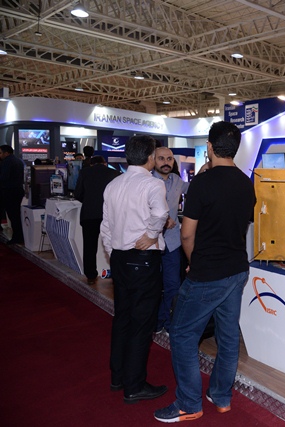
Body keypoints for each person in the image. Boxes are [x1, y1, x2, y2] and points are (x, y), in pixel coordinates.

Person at [154, 121, 255, 423]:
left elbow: (187, 234)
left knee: (182, 334)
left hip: (207, 272)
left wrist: (193, 261)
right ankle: (221, 396)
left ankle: (189, 403)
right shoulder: (246, 183)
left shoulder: (202, 183)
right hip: (237, 270)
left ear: (209, 147)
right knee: (228, 335)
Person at [100, 135, 169, 404]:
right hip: (143, 260)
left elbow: (106, 226)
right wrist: (151, 235)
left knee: (123, 318)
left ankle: (118, 377)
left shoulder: (113, 184)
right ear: (150, 157)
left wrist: (113, 250)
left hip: (119, 257)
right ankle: (134, 385)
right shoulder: (152, 184)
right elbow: (161, 214)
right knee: (141, 323)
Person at [152, 147, 190, 333]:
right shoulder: (147, 181)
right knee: (153, 286)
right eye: (161, 158)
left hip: (173, 243)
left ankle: (168, 323)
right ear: (153, 160)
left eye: (169, 159)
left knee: (173, 286)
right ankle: (155, 322)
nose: (166, 162)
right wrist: (162, 220)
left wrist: (207, 168)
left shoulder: (176, 180)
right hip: (151, 242)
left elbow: (194, 189)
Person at [74, 155, 120, 285]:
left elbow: (78, 194)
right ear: (104, 163)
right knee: (114, 245)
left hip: (89, 214)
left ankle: (91, 275)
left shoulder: (84, 172)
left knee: (89, 246)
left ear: (91, 164)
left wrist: (88, 200)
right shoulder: (114, 173)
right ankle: (117, 273)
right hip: (109, 215)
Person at [0, 145, 26, 245]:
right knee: (15, 215)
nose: (0, 155)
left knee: (13, 216)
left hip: (9, 192)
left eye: (1, 153)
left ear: (6, 153)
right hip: (17, 191)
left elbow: (4, 177)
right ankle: (18, 236)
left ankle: (17, 237)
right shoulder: (18, 161)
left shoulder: (7, 162)